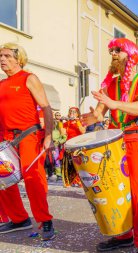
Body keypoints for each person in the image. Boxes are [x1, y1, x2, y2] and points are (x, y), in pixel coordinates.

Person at [81, 38, 138, 253]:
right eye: (111, 50)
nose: (113, 54)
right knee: (115, 189)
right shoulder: (110, 85)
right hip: (113, 141)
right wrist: (90, 118)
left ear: (131, 54)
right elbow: (99, 113)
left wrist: (114, 104)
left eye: (118, 50)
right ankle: (123, 235)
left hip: (136, 139)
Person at [0, 43, 55, 240]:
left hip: (28, 136)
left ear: (18, 58)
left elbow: (46, 107)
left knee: (33, 179)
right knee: (3, 180)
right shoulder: (1, 84)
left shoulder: (28, 78)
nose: (2, 59)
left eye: (7, 56)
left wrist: (48, 136)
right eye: (1, 56)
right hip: (6, 139)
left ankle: (45, 220)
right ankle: (18, 219)